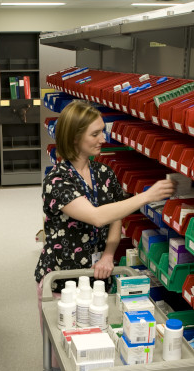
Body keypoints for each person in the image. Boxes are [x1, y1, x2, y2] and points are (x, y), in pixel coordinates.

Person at [35, 100, 175, 296]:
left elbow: (116, 216)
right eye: (95, 134)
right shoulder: (56, 180)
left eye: (102, 131)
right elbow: (97, 216)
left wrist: (108, 255)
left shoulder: (104, 173)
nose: (103, 139)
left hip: (100, 277)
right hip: (62, 282)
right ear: (74, 138)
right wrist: (147, 196)